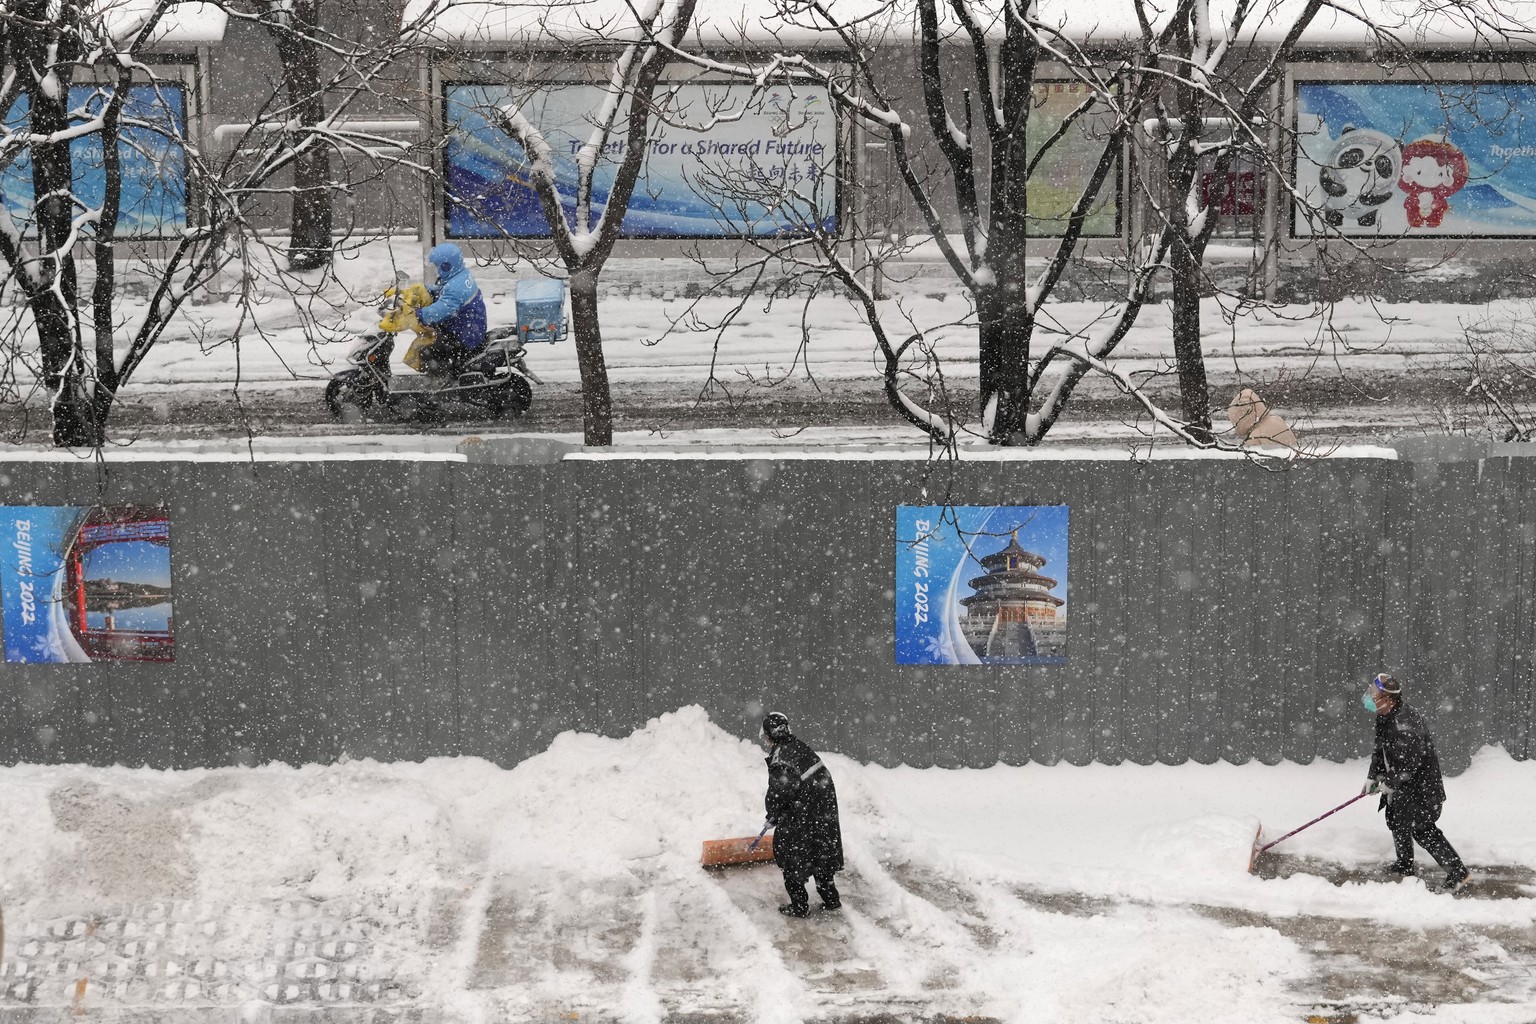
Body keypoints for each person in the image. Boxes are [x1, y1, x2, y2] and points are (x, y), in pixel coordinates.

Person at [1361, 673, 1469, 893]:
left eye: (1375, 695)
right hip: (1404, 786)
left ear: (1388, 699)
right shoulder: (1385, 716)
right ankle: (1404, 865)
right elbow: (1379, 750)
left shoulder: (1404, 724)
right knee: (1396, 818)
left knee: (1422, 829)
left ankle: (1458, 873)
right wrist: (1374, 776)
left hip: (1421, 789)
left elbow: (1408, 765)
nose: (1371, 698)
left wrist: (1389, 782)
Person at [760, 712, 844, 917]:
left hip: (802, 813)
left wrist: (773, 814)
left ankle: (799, 907)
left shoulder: (781, 756)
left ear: (769, 735)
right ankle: (831, 900)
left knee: (791, 855)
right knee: (821, 853)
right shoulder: (800, 746)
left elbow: (780, 791)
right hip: (823, 812)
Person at [416, 242, 488, 373]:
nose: (437, 270)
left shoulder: (456, 288)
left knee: (427, 349)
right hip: (469, 327)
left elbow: (438, 311)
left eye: (438, 266)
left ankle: (442, 381)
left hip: (466, 335)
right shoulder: (460, 275)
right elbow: (444, 290)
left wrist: (419, 314)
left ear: (447, 266)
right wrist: (426, 290)